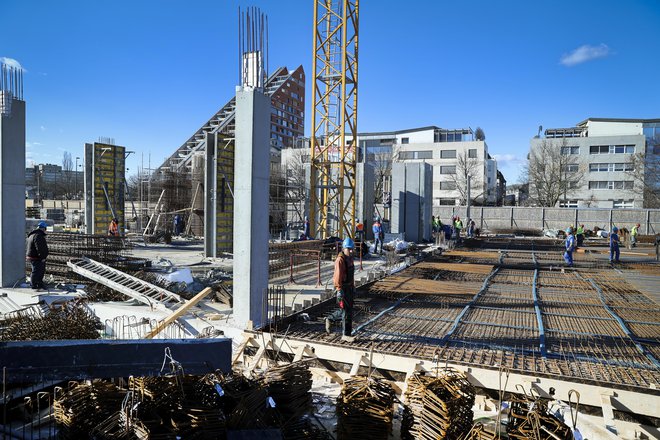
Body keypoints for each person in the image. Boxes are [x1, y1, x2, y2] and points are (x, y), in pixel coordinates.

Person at [325, 238, 356, 342]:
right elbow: (337, 276)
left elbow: (350, 275)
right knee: (346, 312)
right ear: (344, 248)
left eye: (352, 249)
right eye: (349, 249)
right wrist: (339, 290)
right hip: (342, 288)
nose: (351, 251)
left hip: (349, 287)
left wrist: (353, 286)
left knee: (348, 310)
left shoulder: (350, 258)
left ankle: (330, 318)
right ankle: (346, 335)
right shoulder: (340, 260)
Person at [26, 221, 49, 291]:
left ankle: (38, 284)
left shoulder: (33, 235)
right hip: (36, 257)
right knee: (37, 271)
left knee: (38, 271)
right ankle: (34, 285)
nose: (45, 231)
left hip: (33, 256)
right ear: (43, 228)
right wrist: (42, 257)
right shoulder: (38, 236)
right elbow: (40, 248)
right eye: (45, 229)